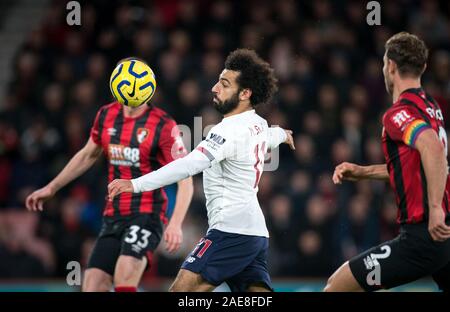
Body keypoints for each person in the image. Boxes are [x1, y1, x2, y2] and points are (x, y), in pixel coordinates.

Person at [108, 49, 295, 292]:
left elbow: (189, 164)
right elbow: (270, 135)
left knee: (180, 292)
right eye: (218, 81)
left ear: (245, 93)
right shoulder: (258, 124)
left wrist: (134, 184)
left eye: (224, 84)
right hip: (255, 235)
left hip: (230, 232)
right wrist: (283, 135)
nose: (215, 88)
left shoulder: (227, 131)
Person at [25, 58, 193, 292]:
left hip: (147, 214)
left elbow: (185, 178)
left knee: (126, 272)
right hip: (114, 214)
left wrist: (175, 223)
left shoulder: (164, 125)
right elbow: (87, 155)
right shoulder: (106, 115)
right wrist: (51, 188)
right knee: (93, 283)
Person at [325, 32, 450, 292]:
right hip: (443, 234)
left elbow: (433, 149)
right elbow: (421, 165)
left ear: (390, 66)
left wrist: (435, 207)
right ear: (423, 68)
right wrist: (364, 172)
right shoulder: (431, 107)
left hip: (422, 236)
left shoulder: (398, 113)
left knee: (336, 286)